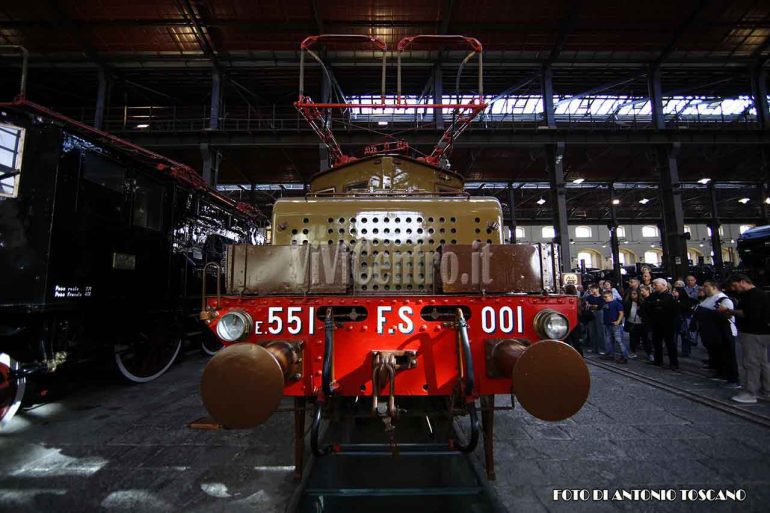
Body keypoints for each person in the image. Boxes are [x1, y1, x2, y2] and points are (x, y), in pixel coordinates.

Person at [721, 273, 770, 404]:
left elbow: (749, 313)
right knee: (762, 362)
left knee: (751, 362)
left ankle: (750, 392)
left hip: (753, 332)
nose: (734, 288)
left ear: (742, 282)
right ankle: (766, 391)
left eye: (734, 285)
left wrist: (730, 311)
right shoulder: (758, 294)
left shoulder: (754, 295)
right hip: (760, 332)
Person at [694, 280, 739, 388]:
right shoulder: (707, 298)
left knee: (728, 355)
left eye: (706, 286)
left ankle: (733, 379)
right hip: (712, 333)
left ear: (714, 287)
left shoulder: (723, 299)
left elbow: (727, 316)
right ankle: (720, 372)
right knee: (717, 354)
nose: (703, 288)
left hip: (724, 332)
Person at [645, 278, 679, 370]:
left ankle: (674, 363)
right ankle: (658, 360)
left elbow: (666, 306)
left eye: (656, 285)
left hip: (667, 323)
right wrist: (656, 304)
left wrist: (656, 304)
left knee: (670, 343)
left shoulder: (669, 296)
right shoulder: (654, 295)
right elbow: (648, 303)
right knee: (656, 342)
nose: (654, 286)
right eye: (654, 285)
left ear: (664, 285)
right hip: (655, 322)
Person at [600, 290, 628, 363]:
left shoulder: (616, 303)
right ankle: (611, 355)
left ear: (610, 296)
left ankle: (624, 356)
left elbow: (621, 313)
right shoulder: (605, 303)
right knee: (609, 340)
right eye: (604, 297)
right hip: (607, 324)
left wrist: (618, 321)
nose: (604, 298)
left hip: (615, 325)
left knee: (619, 341)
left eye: (606, 297)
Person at [672, 286, 698, 358]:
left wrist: (678, 301)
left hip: (684, 320)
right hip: (674, 320)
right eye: (673, 290)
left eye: (675, 291)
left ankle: (686, 352)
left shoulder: (687, 300)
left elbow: (689, 307)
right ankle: (673, 350)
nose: (673, 292)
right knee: (674, 336)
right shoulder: (672, 299)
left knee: (685, 336)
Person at [584, 284, 605, 354]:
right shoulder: (589, 297)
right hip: (590, 315)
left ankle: (601, 348)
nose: (592, 290)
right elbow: (587, 305)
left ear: (597, 289)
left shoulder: (602, 297)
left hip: (599, 314)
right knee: (592, 332)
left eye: (593, 289)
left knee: (600, 331)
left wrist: (593, 306)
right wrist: (594, 306)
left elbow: (600, 306)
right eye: (591, 289)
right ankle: (594, 348)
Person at [623, 289, 644, 358]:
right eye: (632, 294)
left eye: (635, 293)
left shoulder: (642, 302)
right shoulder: (628, 302)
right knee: (632, 339)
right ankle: (633, 352)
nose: (633, 295)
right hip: (631, 322)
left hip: (641, 323)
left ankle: (649, 353)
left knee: (645, 339)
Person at [564, 284, 583, 355]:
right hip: (575, 320)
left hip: (567, 321)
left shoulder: (566, 298)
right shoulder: (577, 299)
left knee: (567, 340)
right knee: (576, 341)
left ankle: (567, 355)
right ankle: (580, 356)